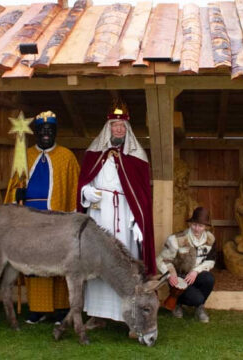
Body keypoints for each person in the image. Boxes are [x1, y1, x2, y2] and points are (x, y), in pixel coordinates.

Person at [78, 103, 155, 326]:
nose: (119, 130)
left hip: (124, 217)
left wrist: (137, 221)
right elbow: (84, 183)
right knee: (98, 261)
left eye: (123, 126)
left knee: (122, 264)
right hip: (99, 214)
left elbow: (139, 195)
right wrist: (87, 192)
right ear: (109, 127)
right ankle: (97, 314)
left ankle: (126, 314)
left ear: (127, 129)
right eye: (115, 126)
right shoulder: (94, 154)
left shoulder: (136, 156)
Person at [3, 111, 80, 325]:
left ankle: (61, 308)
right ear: (35, 133)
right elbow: (15, 183)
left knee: (58, 261)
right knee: (34, 262)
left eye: (50, 130)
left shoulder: (67, 156)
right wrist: (16, 197)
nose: (46, 134)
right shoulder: (25, 155)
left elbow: (74, 186)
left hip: (57, 219)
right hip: (30, 218)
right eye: (42, 130)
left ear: (56, 132)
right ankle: (37, 309)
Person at [156, 207, 216, 323]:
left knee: (209, 279)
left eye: (201, 226)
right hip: (179, 278)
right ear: (190, 224)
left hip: (195, 275)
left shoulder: (210, 239)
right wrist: (170, 275)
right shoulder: (176, 239)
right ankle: (177, 303)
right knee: (196, 298)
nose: (197, 229)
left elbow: (211, 260)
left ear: (206, 227)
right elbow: (161, 260)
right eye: (194, 225)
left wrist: (196, 271)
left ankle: (200, 307)